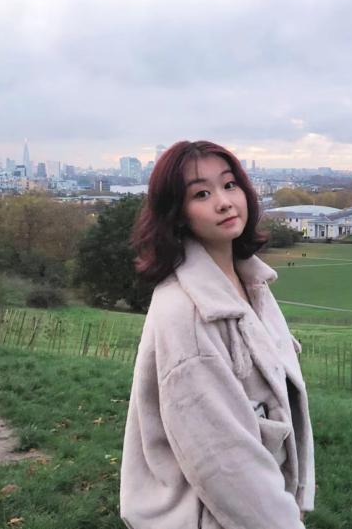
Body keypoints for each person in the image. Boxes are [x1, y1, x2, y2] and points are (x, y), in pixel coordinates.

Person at [120, 140, 315, 529]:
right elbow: (224, 462)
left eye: (229, 185)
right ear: (176, 214)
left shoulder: (250, 283)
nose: (224, 202)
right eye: (201, 194)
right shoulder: (188, 314)